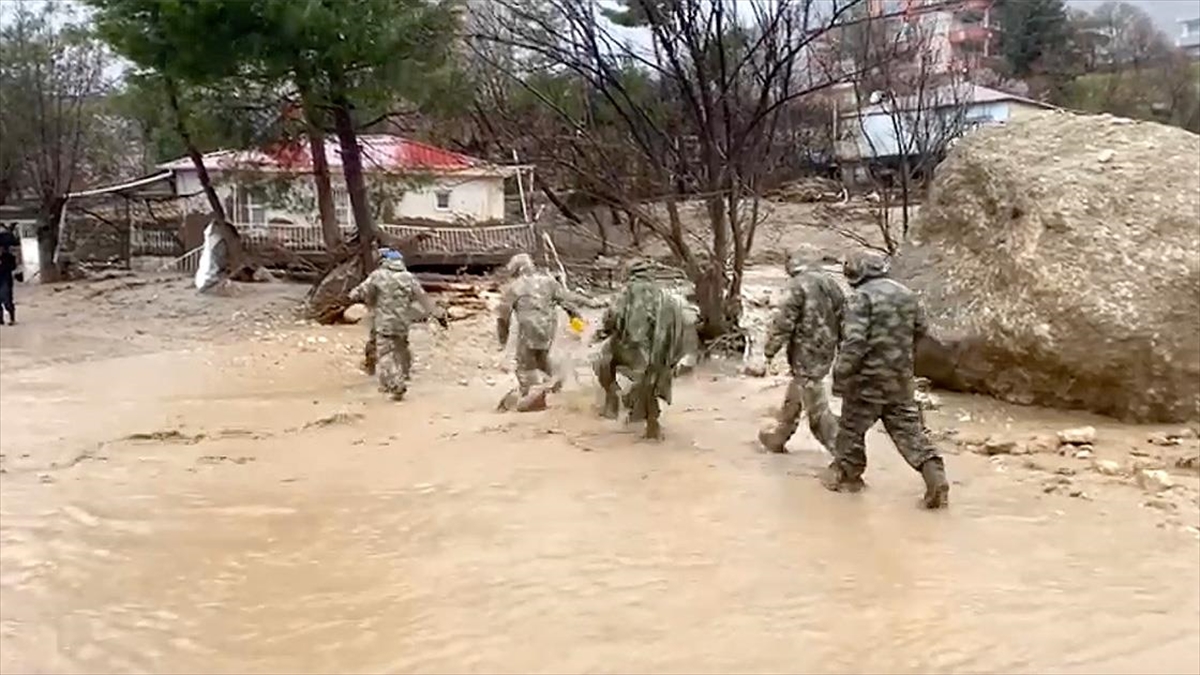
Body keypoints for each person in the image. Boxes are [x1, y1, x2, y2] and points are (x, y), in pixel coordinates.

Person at [825, 251, 950, 509]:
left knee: (851, 431)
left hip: (865, 383)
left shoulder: (861, 299)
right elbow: (922, 331)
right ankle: (934, 476)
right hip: (900, 380)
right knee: (909, 432)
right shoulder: (907, 295)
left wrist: (840, 374)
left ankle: (849, 479)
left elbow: (855, 342)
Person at [759, 251, 845, 453]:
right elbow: (845, 318)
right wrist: (843, 349)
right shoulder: (831, 284)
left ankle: (842, 454)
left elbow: (783, 322)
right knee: (799, 388)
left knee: (815, 406)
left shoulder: (797, 285)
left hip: (804, 352)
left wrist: (769, 351)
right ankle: (779, 437)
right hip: (826, 351)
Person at [591, 259, 688, 440]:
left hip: (636, 349)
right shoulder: (666, 294)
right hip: (663, 352)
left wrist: (601, 333)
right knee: (650, 380)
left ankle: (615, 401)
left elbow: (612, 318)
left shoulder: (627, 293)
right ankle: (648, 419)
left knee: (601, 361)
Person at [495, 253, 599, 412]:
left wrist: (503, 339)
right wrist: (576, 320)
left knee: (525, 364)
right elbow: (567, 302)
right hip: (548, 327)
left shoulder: (515, 287)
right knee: (543, 357)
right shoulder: (548, 282)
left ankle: (533, 396)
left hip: (528, 329)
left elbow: (503, 315)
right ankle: (552, 388)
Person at [348, 248, 447, 401]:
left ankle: (396, 384)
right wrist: (438, 315)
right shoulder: (409, 278)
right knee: (402, 349)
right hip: (402, 323)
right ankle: (405, 374)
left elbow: (358, 293)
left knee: (385, 354)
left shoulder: (378, 276)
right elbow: (423, 299)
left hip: (383, 323)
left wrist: (352, 296)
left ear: (384, 261)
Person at [0, 244, 18, 326]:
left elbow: (13, 267)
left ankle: (12, 318)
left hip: (6, 280)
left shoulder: (9, 257)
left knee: (7, 299)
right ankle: (0, 319)